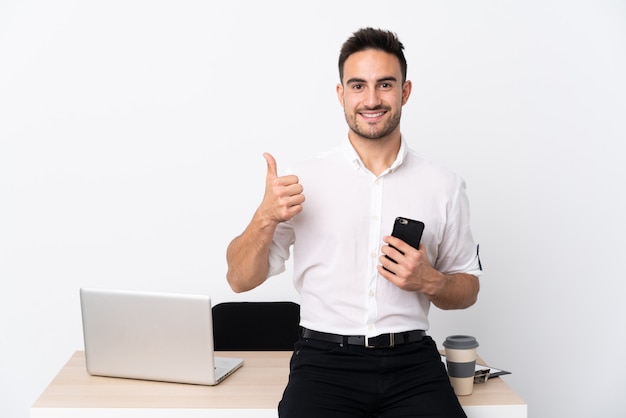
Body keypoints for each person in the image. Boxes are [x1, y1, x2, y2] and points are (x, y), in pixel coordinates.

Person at [226, 27, 482, 418]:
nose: (372, 99)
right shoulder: (302, 180)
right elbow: (239, 279)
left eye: (385, 85)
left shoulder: (444, 185)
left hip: (413, 364)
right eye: (358, 86)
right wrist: (263, 218)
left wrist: (430, 280)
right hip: (323, 364)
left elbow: (468, 288)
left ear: (405, 92)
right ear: (341, 94)